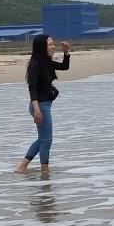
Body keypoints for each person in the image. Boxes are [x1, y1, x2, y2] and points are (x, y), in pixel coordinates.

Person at [16, 34, 71, 174]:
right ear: (42, 47)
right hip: (39, 106)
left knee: (42, 139)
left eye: (53, 44)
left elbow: (64, 67)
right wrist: (37, 110)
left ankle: (22, 167)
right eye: (50, 44)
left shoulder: (46, 62)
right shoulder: (35, 64)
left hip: (43, 105)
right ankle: (45, 172)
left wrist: (66, 53)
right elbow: (32, 88)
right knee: (47, 141)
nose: (53, 47)